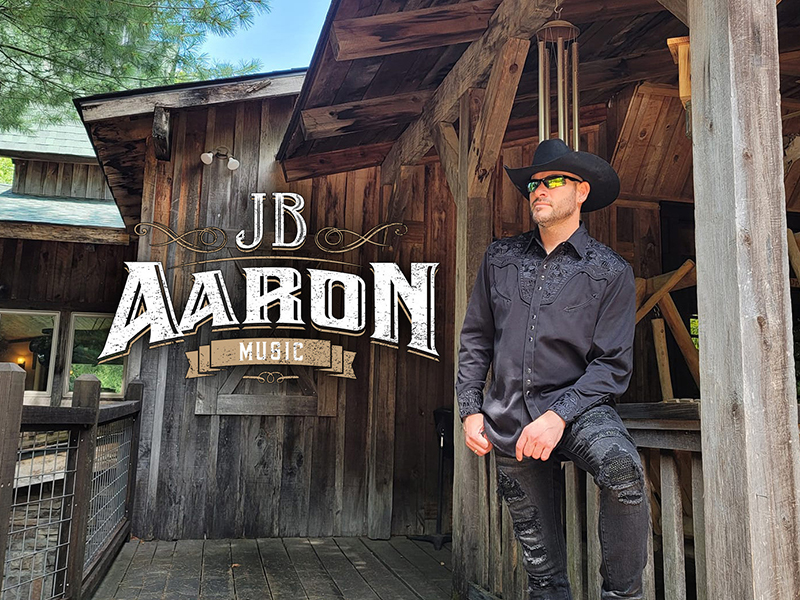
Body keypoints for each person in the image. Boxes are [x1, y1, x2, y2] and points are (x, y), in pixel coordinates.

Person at [456, 138, 649, 600]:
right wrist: (470, 408)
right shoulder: (499, 258)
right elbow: (476, 338)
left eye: (553, 181)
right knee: (543, 576)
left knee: (624, 474)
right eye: (533, 184)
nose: (538, 190)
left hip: (580, 410)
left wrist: (558, 415)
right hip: (510, 418)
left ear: (581, 191)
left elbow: (612, 364)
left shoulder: (611, 271)